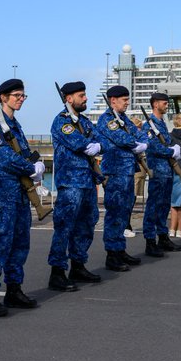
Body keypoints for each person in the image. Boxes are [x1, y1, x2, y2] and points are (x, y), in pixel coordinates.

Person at [0, 79, 43, 317]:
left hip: (19, 194)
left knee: (20, 244)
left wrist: (35, 163)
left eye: (23, 95)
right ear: (3, 97)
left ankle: (14, 289)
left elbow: (22, 152)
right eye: (16, 95)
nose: (21, 99)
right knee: (1, 244)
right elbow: (3, 158)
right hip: (2, 195)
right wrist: (29, 168)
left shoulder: (15, 126)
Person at [49, 81, 103, 292]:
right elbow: (80, 144)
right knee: (65, 226)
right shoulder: (62, 121)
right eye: (81, 96)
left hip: (87, 181)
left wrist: (96, 144)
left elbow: (101, 141)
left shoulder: (85, 122)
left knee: (87, 223)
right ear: (69, 99)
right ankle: (57, 272)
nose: (86, 98)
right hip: (70, 182)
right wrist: (91, 144)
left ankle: (78, 265)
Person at [95, 85, 149, 269]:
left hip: (127, 171)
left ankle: (120, 249)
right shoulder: (107, 120)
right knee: (115, 213)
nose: (127, 103)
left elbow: (141, 134)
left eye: (127, 99)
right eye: (124, 100)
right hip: (115, 171)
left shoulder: (123, 119)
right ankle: (112, 255)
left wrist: (140, 142)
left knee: (124, 213)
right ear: (113, 100)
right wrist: (136, 143)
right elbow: (121, 138)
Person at [143, 92, 181, 255]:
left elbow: (166, 142)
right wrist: (171, 151)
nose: (166, 105)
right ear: (155, 104)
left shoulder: (161, 123)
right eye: (164, 103)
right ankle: (150, 241)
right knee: (153, 206)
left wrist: (173, 148)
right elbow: (153, 146)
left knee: (164, 205)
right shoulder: (149, 124)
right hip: (157, 170)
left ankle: (163, 237)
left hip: (166, 170)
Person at [127, 114, 146, 238]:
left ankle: (126, 224)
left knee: (131, 200)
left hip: (138, 170)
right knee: (128, 200)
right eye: (138, 127)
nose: (139, 130)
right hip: (133, 170)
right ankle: (126, 225)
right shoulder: (130, 138)